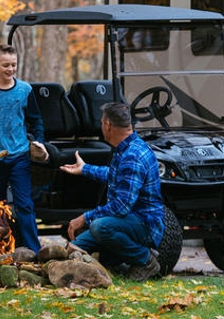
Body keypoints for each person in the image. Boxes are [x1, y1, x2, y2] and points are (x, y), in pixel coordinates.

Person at [60, 102, 165, 281]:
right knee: (73, 248)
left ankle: (146, 259)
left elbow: (121, 207)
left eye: (102, 122)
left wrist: (84, 218)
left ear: (107, 125)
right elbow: (114, 175)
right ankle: (113, 261)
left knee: (99, 226)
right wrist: (84, 169)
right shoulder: (125, 149)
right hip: (124, 222)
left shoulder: (133, 156)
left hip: (144, 226)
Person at [0, 44, 48, 254]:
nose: (10, 69)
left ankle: (33, 251)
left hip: (19, 156)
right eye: (5, 65)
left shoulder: (25, 90)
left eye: (14, 65)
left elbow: (36, 120)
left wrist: (38, 140)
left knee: (24, 205)